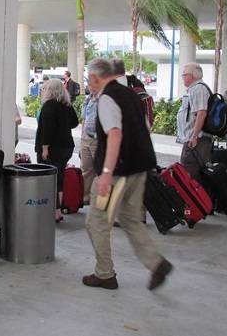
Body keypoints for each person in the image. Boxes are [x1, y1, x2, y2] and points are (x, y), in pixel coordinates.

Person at [82, 59, 173, 291]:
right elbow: (144, 127)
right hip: (139, 168)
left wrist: (105, 174)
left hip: (117, 174)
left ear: (95, 77)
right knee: (131, 219)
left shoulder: (106, 97)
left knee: (96, 222)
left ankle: (105, 274)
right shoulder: (132, 94)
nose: (88, 84)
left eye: (88, 79)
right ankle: (156, 263)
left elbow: (115, 134)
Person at [35, 79, 78, 222]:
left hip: (52, 148)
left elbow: (47, 130)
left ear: (50, 90)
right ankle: (58, 211)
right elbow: (74, 122)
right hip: (66, 147)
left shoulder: (49, 106)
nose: (43, 91)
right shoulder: (66, 105)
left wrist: (45, 148)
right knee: (59, 178)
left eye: (45, 88)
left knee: (49, 179)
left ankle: (53, 211)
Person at [176, 63, 212, 181]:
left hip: (196, 139)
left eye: (184, 74)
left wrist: (194, 136)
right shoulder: (194, 89)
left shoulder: (198, 89)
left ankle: (194, 199)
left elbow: (201, 113)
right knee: (190, 171)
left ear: (193, 75)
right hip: (193, 138)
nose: (182, 77)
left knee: (190, 173)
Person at [80, 89, 99, 205]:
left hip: (98, 139)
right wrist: (82, 135)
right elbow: (84, 119)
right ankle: (86, 196)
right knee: (86, 168)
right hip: (86, 138)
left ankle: (97, 199)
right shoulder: (87, 99)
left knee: (99, 170)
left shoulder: (104, 99)